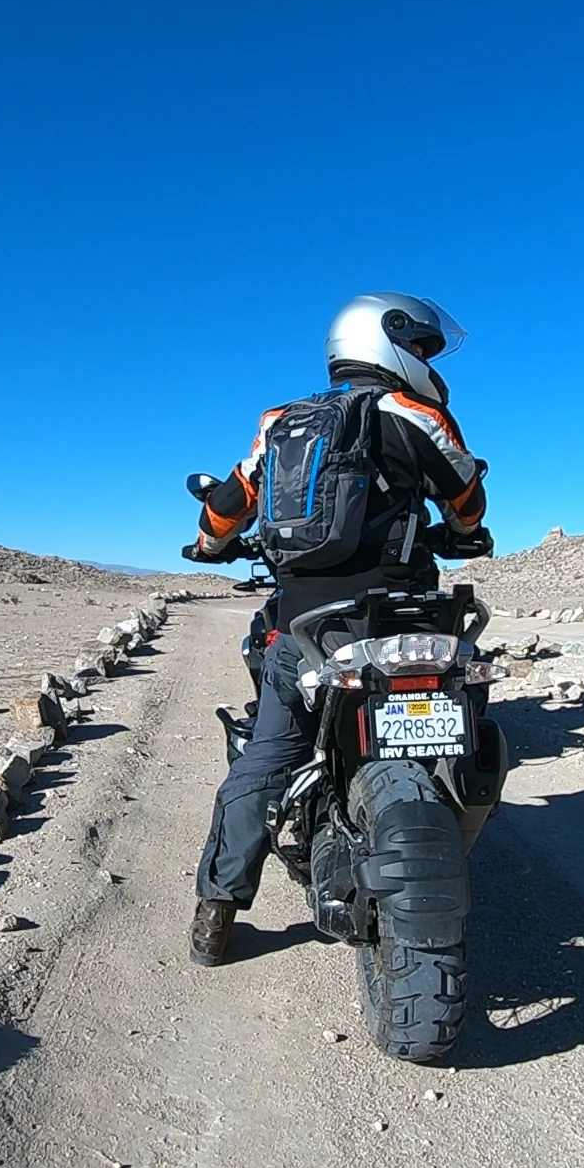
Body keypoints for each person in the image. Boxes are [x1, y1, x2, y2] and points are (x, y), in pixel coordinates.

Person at [182, 293, 492, 966]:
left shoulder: (281, 425)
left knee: (267, 756)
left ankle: (218, 908)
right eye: (419, 347)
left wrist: (208, 545)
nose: (425, 359)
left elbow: (228, 506)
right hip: (404, 620)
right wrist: (465, 532)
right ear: (386, 344)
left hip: (309, 629)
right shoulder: (418, 414)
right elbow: (467, 500)